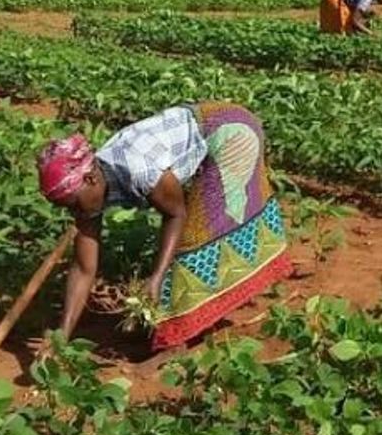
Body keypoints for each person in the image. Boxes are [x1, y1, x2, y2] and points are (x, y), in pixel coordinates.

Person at [36, 103, 291, 350]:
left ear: (91, 179)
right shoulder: (89, 195)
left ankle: (188, 333)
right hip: (203, 133)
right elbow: (83, 268)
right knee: (194, 234)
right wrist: (61, 338)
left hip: (230, 131)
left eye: (73, 204)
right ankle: (186, 318)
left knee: (200, 238)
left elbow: (176, 215)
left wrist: (156, 278)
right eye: (66, 207)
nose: (74, 212)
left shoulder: (139, 169)